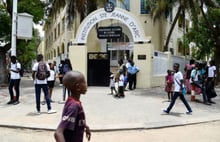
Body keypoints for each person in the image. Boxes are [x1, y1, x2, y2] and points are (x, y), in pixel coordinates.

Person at [54, 71, 91, 142]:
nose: (86, 85)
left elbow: (75, 118)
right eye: (84, 82)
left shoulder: (72, 101)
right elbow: (58, 133)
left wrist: (85, 126)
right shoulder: (74, 106)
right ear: (78, 87)